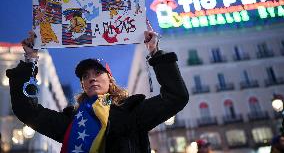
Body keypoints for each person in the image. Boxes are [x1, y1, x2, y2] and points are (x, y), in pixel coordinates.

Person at [6, 21, 189, 153]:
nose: (92, 78)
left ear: (110, 80)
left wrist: (154, 52)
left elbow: (176, 97)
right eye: (86, 76)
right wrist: (30, 60)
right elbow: (27, 111)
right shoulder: (72, 121)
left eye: (97, 73)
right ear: (83, 85)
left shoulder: (132, 112)